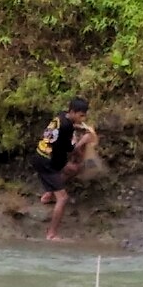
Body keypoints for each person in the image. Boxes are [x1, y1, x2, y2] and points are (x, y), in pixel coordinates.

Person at [29, 97, 97, 241]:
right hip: (47, 162)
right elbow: (72, 149)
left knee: (73, 169)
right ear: (72, 112)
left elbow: (65, 129)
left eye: (84, 115)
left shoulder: (60, 117)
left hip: (44, 156)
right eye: (81, 115)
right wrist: (84, 140)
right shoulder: (67, 127)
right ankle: (51, 234)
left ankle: (48, 195)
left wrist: (81, 128)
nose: (83, 118)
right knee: (63, 198)